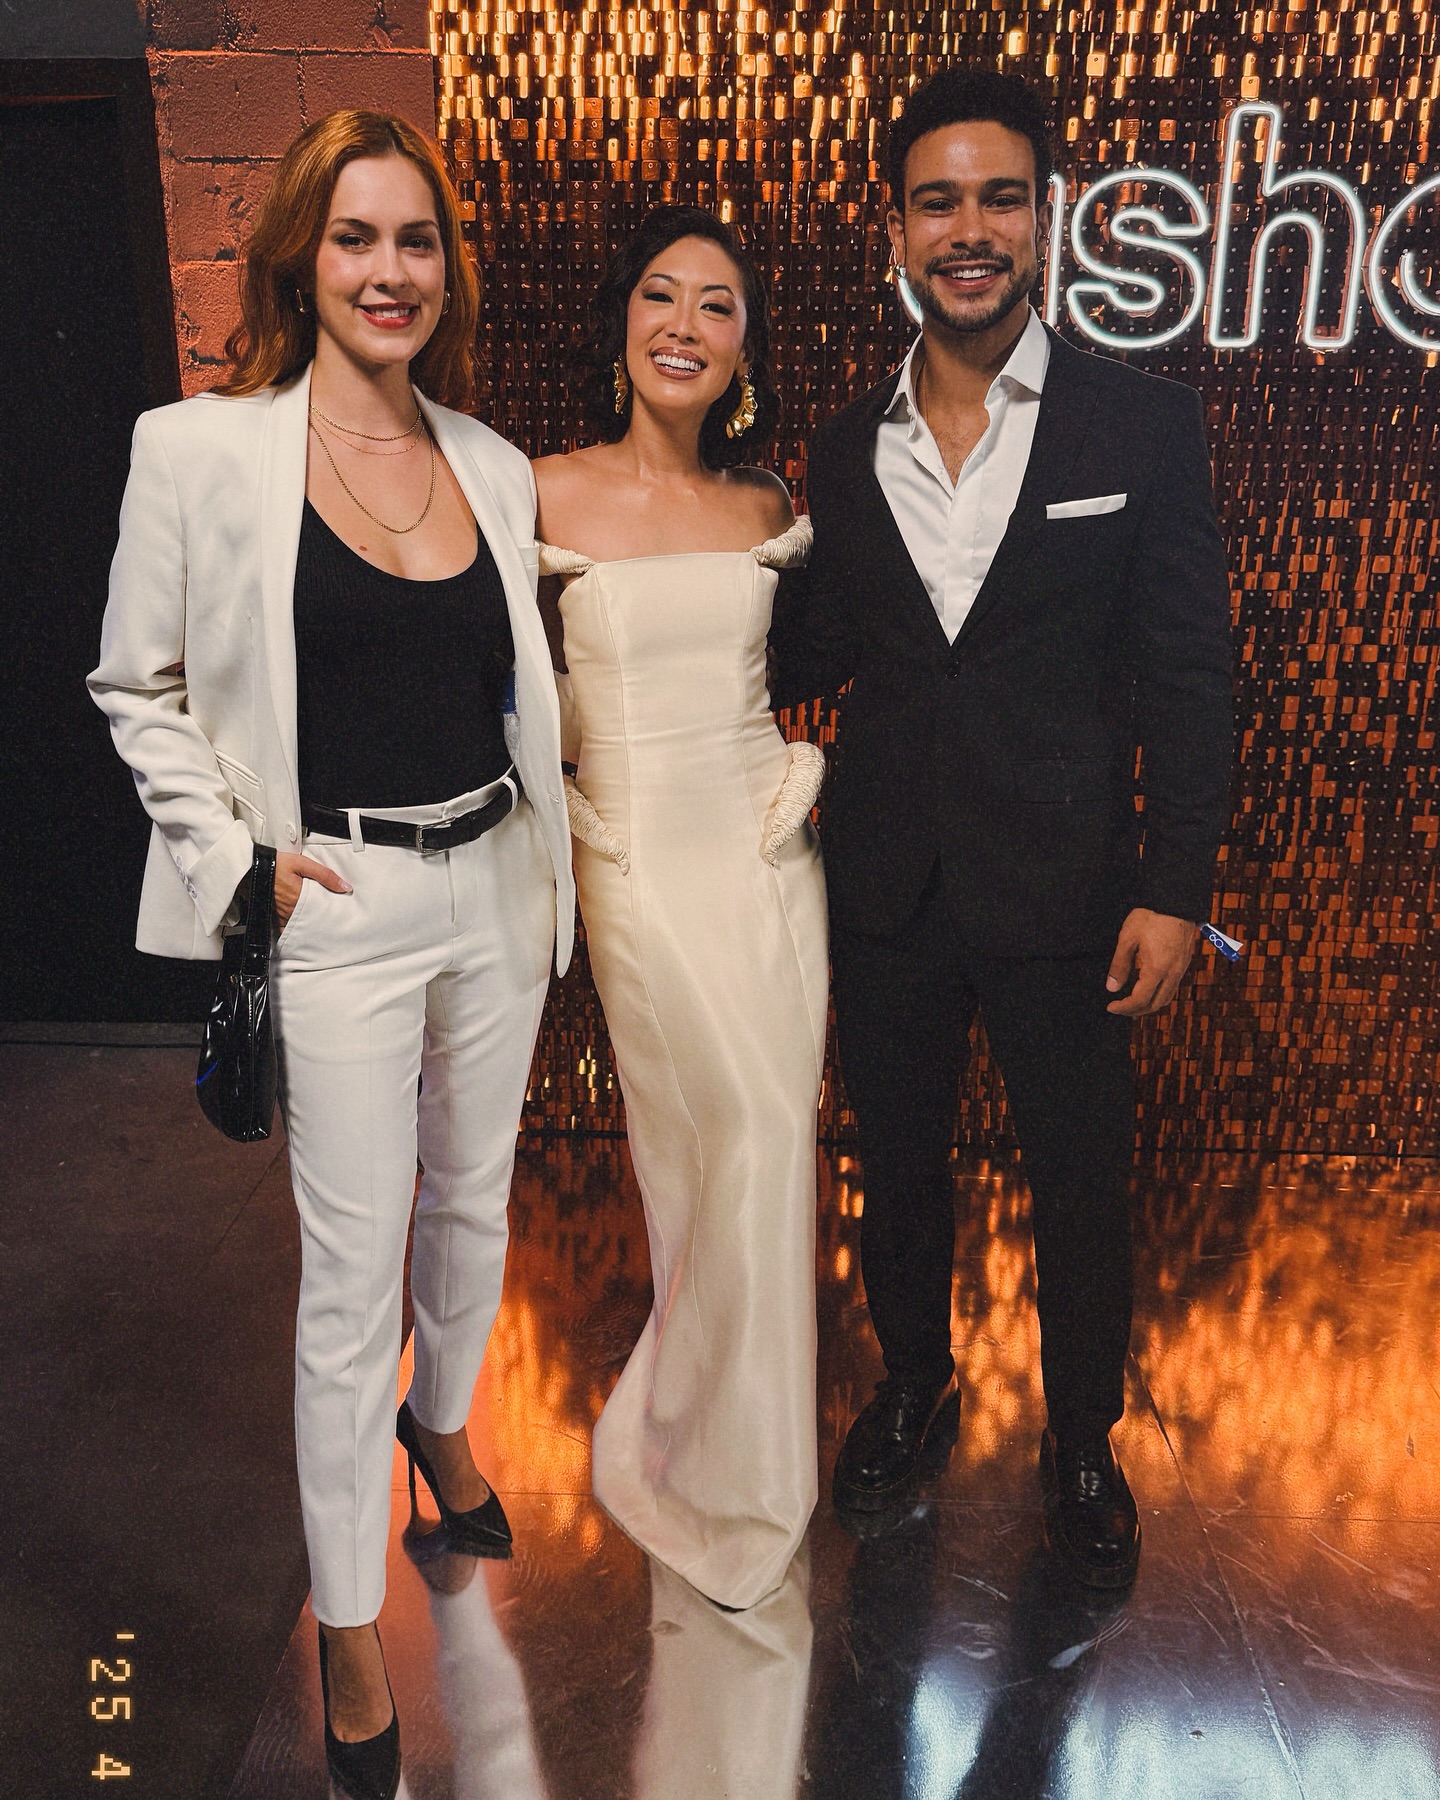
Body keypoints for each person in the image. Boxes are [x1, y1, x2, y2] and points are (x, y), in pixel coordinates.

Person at [88, 111, 573, 1800]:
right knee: (349, 1281)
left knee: (474, 1202)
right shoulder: (198, 451)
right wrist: (239, 865)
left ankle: (443, 1428)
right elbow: (134, 684)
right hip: (340, 906)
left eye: (416, 239)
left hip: (495, 877)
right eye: (356, 237)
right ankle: (350, 1623)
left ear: (447, 267)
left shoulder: (492, 463)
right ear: (302, 258)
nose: (389, 270)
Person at [769, 69, 1233, 1587]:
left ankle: (1081, 1438)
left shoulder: (1141, 423)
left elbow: (1191, 671)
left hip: (1072, 889)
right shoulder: (844, 444)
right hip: (887, 883)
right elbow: (814, 649)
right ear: (897, 231)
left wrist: (1177, 887)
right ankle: (915, 1382)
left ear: (1045, 218)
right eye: (937, 202)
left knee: (1079, 1180)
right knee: (896, 1164)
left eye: (999, 198)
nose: (967, 229)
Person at [532, 206, 827, 1611]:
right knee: (706, 1148)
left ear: (743, 350)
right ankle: (700, 1459)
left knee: (774, 1138)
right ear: (622, 323)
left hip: (768, 850)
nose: (687, 327)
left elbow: (805, 662)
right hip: (637, 860)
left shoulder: (768, 505)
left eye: (718, 306)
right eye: (663, 296)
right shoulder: (536, 490)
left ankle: (743, 1461)